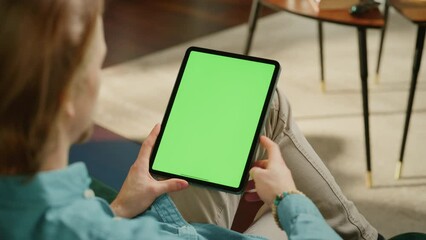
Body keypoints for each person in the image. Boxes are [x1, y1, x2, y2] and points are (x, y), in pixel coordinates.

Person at [0, 0, 380, 239]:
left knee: (253, 106)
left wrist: (118, 208)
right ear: (66, 96)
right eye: (97, 65)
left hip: (147, 218)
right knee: (295, 205)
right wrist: (287, 198)